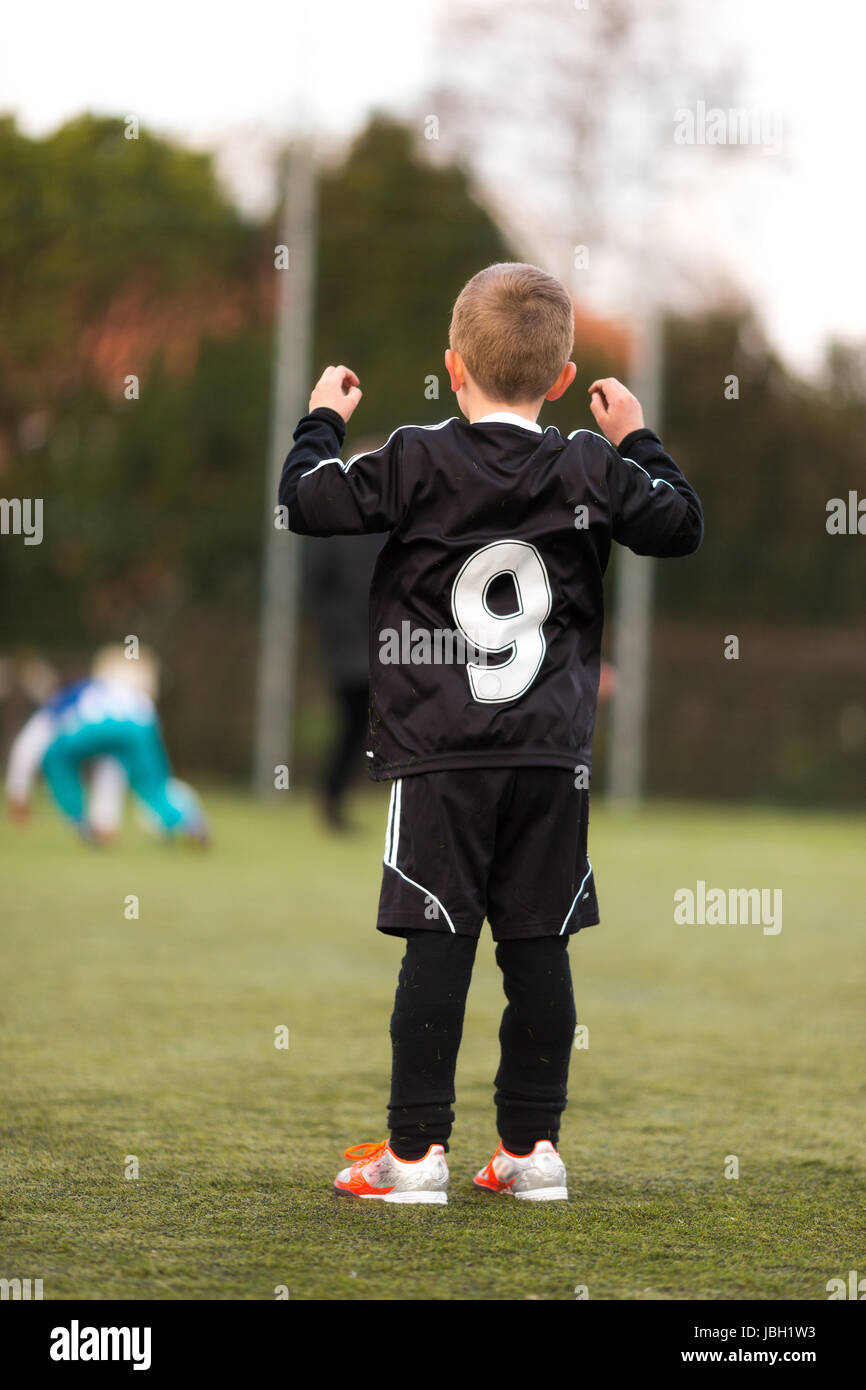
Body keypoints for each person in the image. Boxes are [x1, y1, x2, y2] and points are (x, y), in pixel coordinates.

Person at [279, 262, 703, 1204]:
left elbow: (305, 500)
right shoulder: (591, 465)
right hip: (552, 758)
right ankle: (531, 1150)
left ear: (451, 366)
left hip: (443, 752)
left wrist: (323, 419)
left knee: (437, 943)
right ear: (561, 381)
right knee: (537, 944)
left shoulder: (418, 456)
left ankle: (418, 1156)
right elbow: (680, 525)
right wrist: (636, 435)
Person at [5, 645, 208, 845]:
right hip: (142, 723)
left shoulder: (72, 694)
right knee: (152, 784)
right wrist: (106, 818)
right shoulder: (136, 695)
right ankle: (188, 823)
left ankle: (79, 820)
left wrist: (18, 791)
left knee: (56, 756)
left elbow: (29, 743)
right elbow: (113, 765)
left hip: (97, 724)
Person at [304, 525, 383, 830]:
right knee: (353, 725)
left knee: (362, 727)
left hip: (388, 644)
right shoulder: (333, 531)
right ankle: (332, 798)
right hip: (351, 649)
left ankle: (335, 797)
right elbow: (316, 590)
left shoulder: (388, 528)